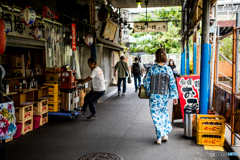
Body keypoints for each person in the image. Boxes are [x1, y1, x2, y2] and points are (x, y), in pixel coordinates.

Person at [143, 48, 179, 145]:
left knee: (155, 116)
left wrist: (148, 91)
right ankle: (165, 134)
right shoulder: (168, 69)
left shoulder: (152, 68)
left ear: (156, 56)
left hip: (154, 96)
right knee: (163, 114)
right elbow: (172, 84)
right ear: (165, 57)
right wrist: (175, 97)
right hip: (164, 96)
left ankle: (159, 136)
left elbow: (146, 82)